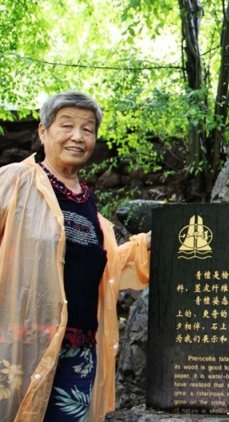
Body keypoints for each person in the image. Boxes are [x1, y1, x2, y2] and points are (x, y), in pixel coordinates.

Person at [0, 92, 151, 421]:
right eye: (66, 126)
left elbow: (105, 269)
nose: (78, 136)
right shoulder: (16, 182)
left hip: (78, 352)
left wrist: (149, 245)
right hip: (19, 346)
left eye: (88, 129)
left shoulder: (89, 205)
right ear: (43, 132)